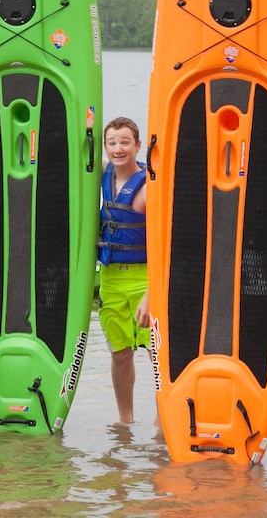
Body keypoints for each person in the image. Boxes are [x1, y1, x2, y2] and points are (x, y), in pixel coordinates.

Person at [97, 116, 151, 423]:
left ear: (138, 146)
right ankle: (125, 421)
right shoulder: (103, 174)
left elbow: (162, 247)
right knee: (119, 353)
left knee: (156, 354)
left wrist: (151, 294)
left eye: (125, 142)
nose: (118, 149)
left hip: (143, 279)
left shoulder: (147, 188)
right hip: (111, 279)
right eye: (112, 143)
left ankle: (161, 424)